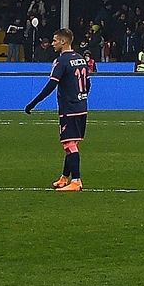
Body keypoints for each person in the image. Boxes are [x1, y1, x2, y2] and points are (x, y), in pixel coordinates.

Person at [24, 28, 92, 190]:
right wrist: (81, 98)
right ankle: (64, 178)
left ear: (63, 41)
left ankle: (76, 181)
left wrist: (33, 103)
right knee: (72, 143)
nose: (53, 43)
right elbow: (88, 84)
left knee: (69, 144)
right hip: (81, 107)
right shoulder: (81, 59)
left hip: (69, 108)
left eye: (55, 40)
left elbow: (51, 85)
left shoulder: (61, 61)